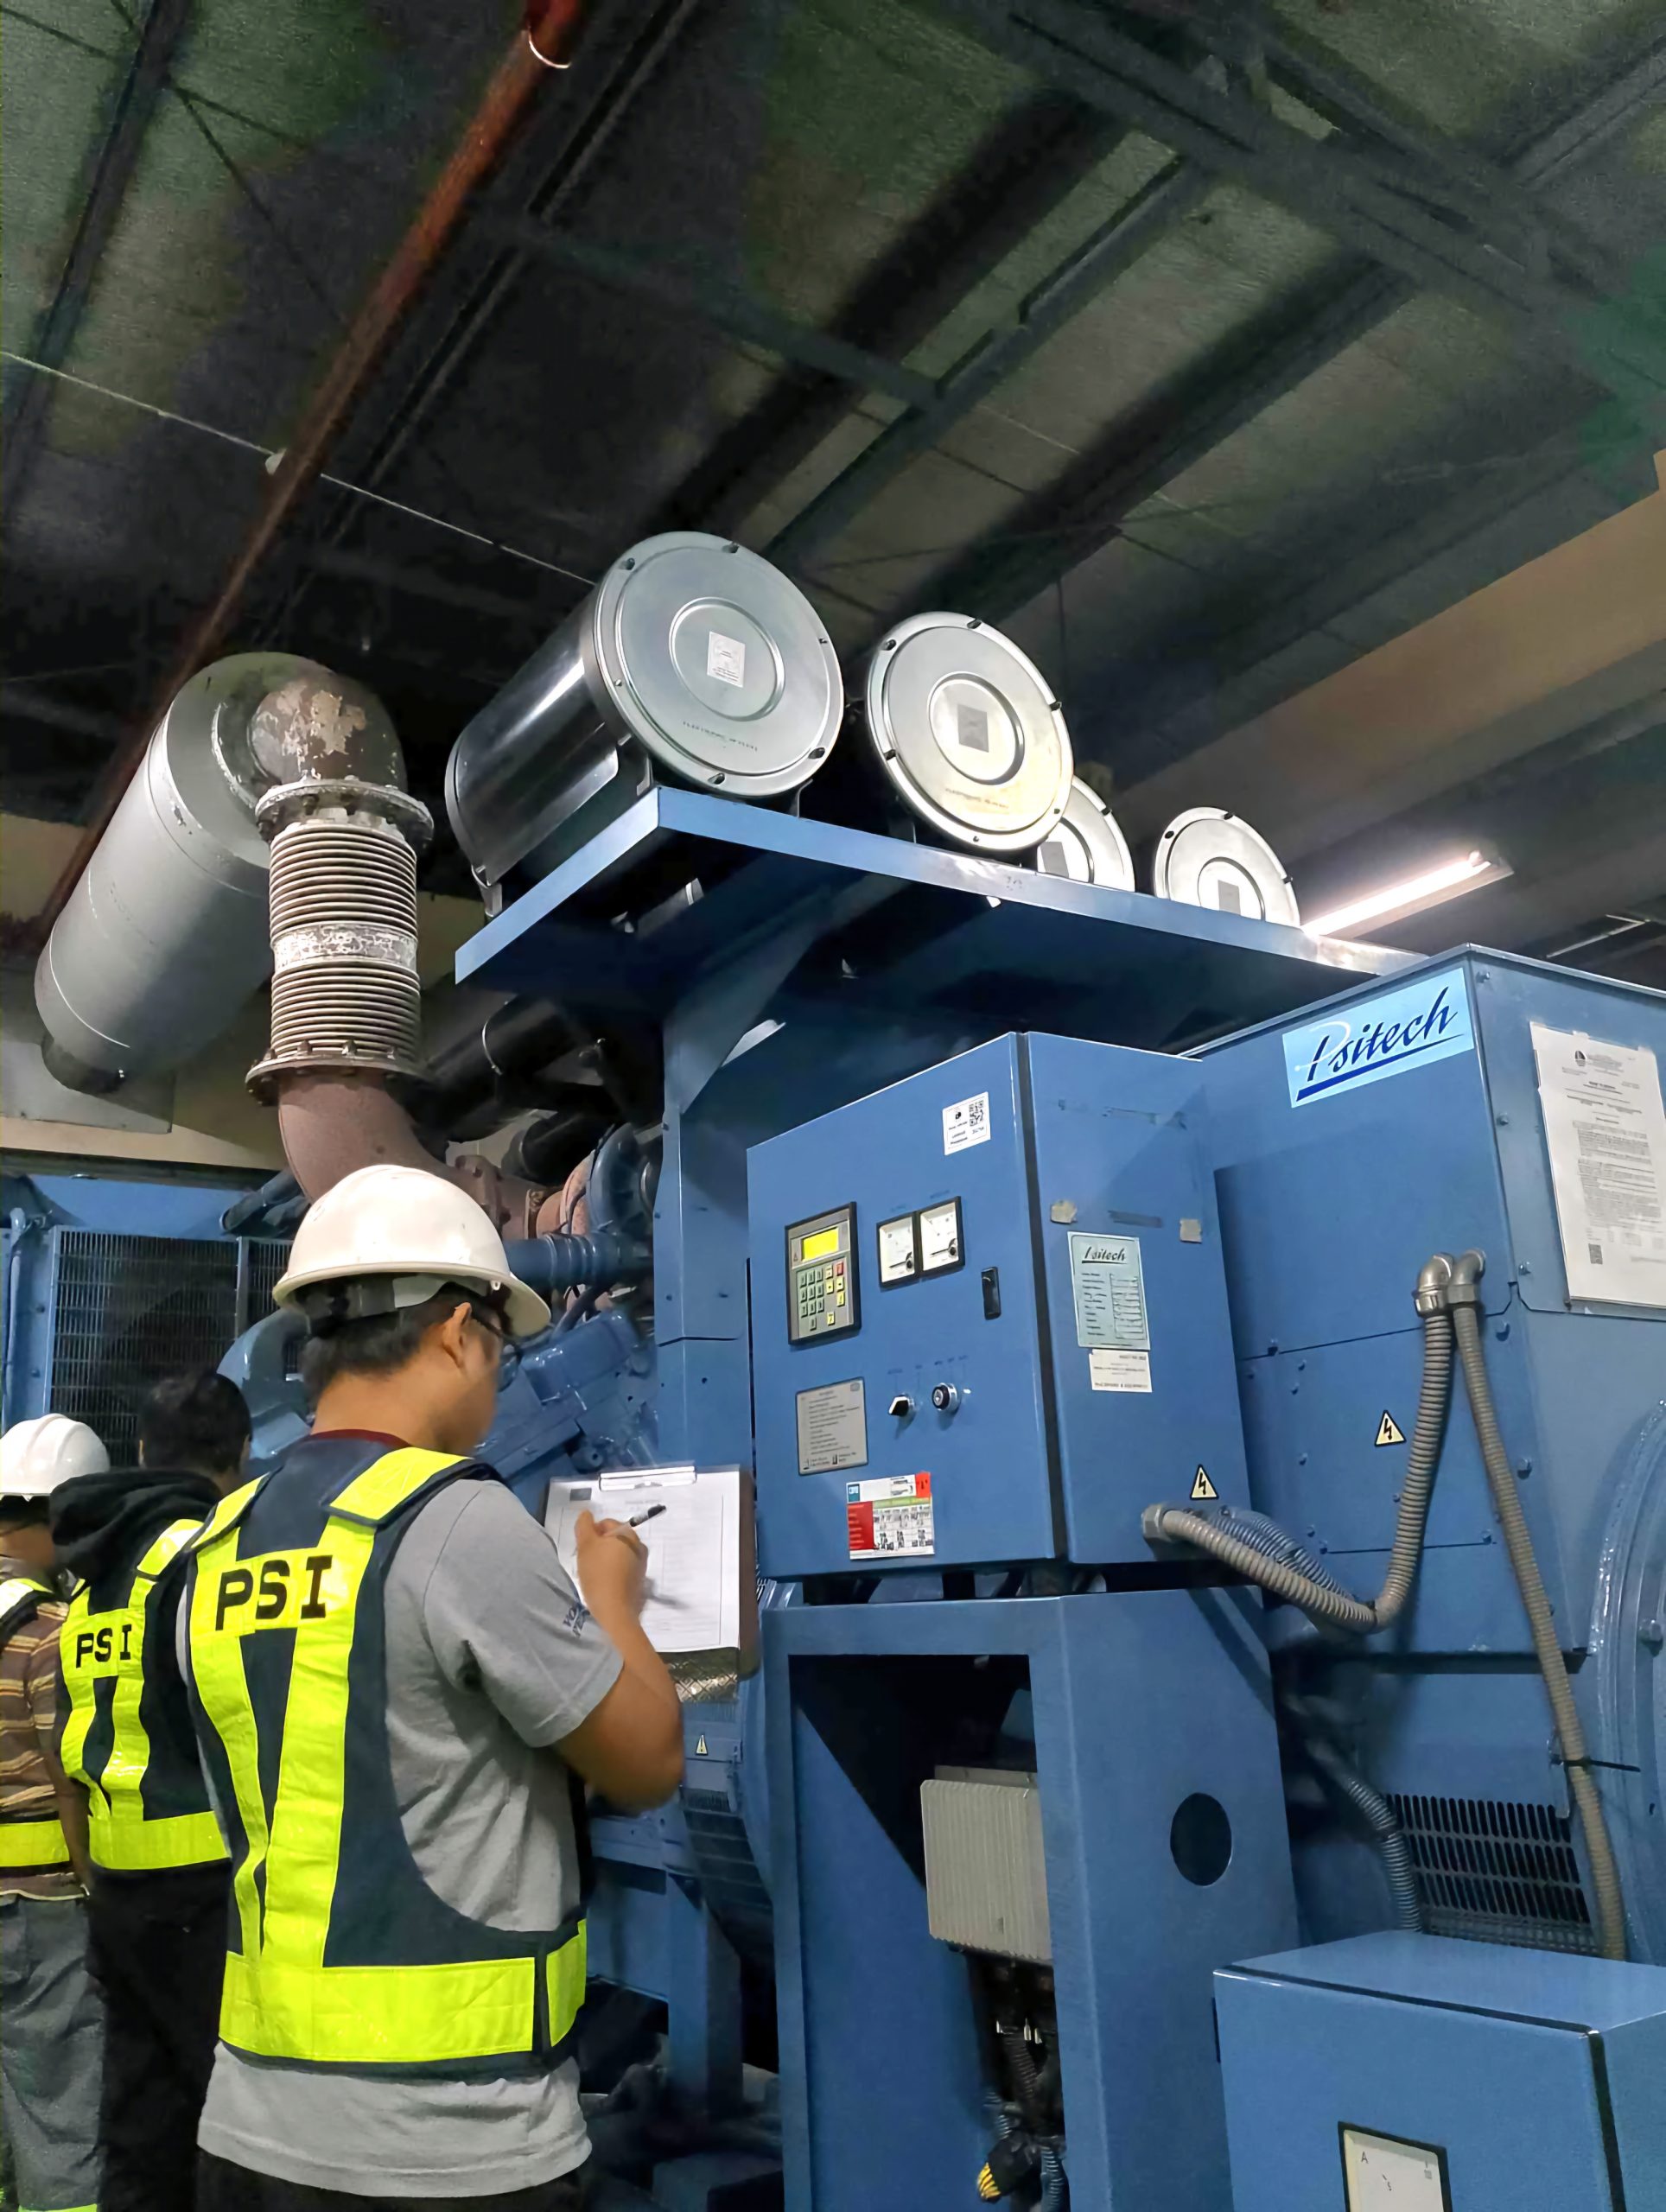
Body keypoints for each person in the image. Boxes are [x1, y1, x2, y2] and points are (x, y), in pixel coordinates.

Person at [178, 1164, 684, 2210]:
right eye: (498, 1349)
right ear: (458, 1332)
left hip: (249, 2129)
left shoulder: (216, 1546)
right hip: (452, 2143)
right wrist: (612, 1598)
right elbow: (646, 1763)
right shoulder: (452, 1518)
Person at [53, 1368, 251, 2212]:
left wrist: (95, 1875)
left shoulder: (93, 1579)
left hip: (117, 1892)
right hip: (208, 1893)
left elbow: (67, 1752)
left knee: (140, 2126)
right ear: (240, 1456)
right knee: (233, 2126)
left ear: (140, 1452)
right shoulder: (210, 1557)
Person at [0, 1413, 107, 2212]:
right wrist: (97, 1886)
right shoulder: (51, 1635)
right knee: (60, 2111)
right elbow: (70, 1779)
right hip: (40, 1910)